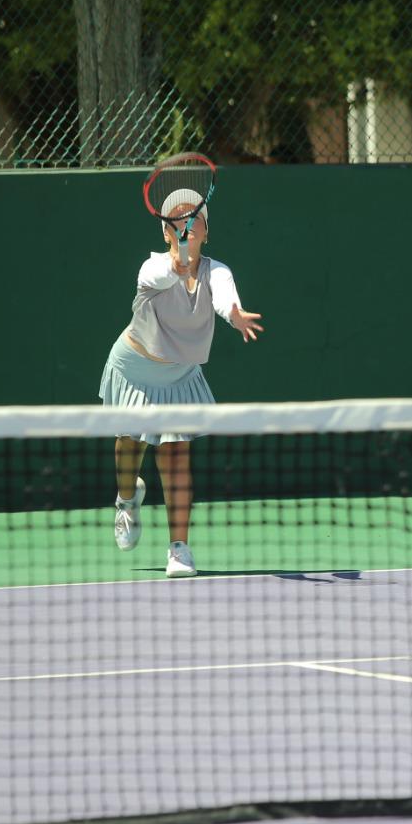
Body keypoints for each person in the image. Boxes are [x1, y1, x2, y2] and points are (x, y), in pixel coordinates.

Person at [98, 189, 264, 578]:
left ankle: (179, 548)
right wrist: (179, 260)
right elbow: (166, 273)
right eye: (178, 218)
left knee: (175, 455)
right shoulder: (149, 268)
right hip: (134, 368)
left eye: (196, 217)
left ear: (206, 230)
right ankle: (126, 500)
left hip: (179, 375)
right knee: (129, 446)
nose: (188, 222)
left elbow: (225, 298)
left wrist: (234, 315)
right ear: (167, 232)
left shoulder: (217, 271)